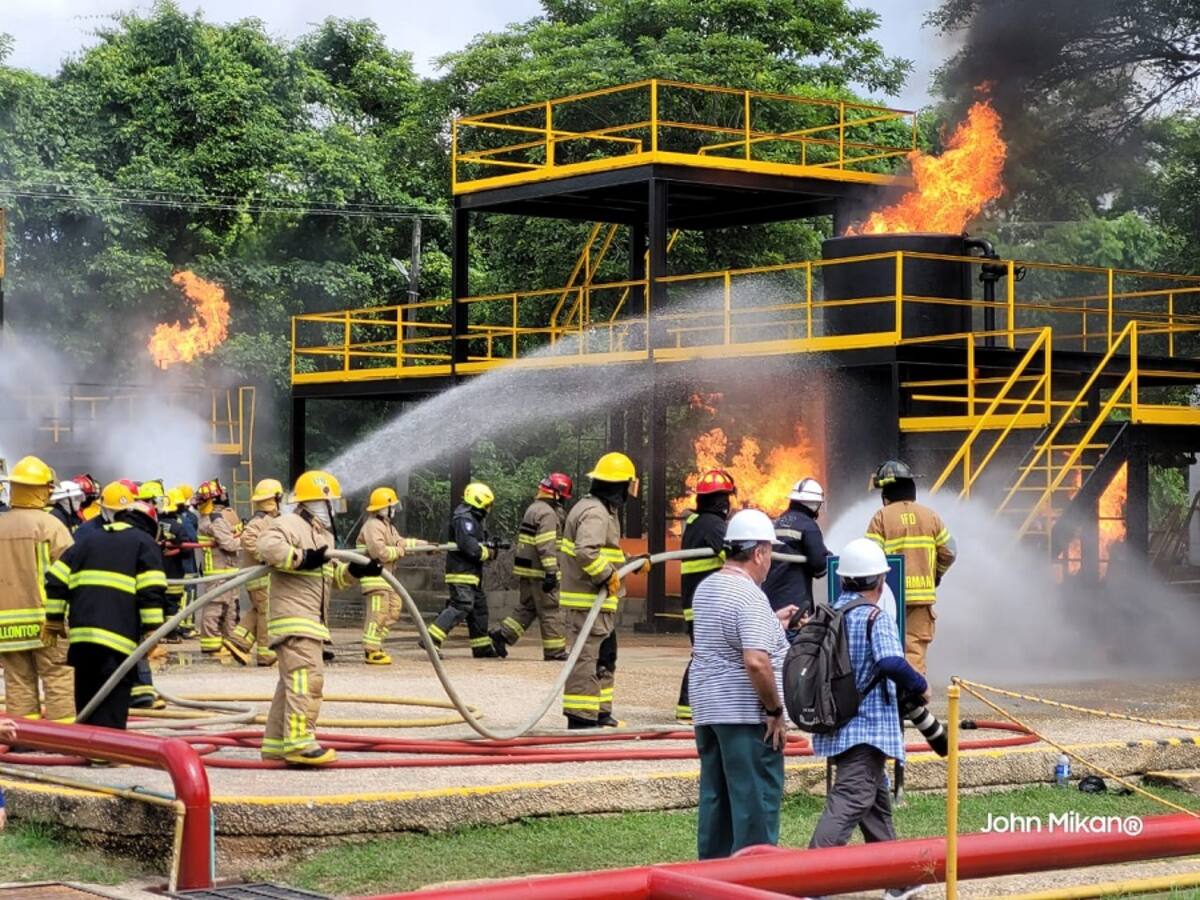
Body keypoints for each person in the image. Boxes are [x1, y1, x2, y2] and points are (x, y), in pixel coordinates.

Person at [808, 538, 929, 900]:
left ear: (844, 579)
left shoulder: (832, 613)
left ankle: (901, 880)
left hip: (839, 724)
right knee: (849, 801)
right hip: (869, 728)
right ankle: (807, 881)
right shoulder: (876, 616)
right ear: (880, 581)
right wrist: (921, 685)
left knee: (875, 807)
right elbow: (892, 662)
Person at [689, 508, 796, 860]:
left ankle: (714, 879)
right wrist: (775, 710)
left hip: (709, 713)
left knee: (717, 799)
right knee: (755, 801)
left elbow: (725, 639)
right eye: (769, 553)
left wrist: (771, 623)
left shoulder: (707, 588)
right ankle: (755, 880)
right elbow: (755, 661)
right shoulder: (749, 595)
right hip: (745, 717)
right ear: (759, 553)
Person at [256, 470, 378, 766]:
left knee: (290, 685)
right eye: (329, 503)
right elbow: (267, 546)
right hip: (293, 618)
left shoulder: (323, 534)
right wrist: (301, 558)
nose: (333, 509)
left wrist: (354, 571)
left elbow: (330, 576)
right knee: (306, 680)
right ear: (315, 502)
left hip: (310, 619)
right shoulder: (288, 524)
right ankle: (300, 744)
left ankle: (275, 745)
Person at [44, 487, 166, 730]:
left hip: (81, 638)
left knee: (87, 693)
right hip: (118, 640)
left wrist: (54, 619)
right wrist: (154, 631)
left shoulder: (85, 540)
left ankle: (88, 749)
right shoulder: (144, 543)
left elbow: (55, 580)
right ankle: (107, 753)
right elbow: (151, 591)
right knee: (113, 696)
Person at [560, 452, 646, 729]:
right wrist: (609, 574)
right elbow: (586, 551)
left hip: (599, 605)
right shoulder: (596, 513)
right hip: (588, 603)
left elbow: (604, 553)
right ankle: (581, 717)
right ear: (619, 485)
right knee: (588, 658)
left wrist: (631, 564)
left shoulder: (602, 510)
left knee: (605, 656)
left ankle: (599, 712)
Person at [0, 456, 75, 722]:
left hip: (7, 623)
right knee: (57, 674)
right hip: (47, 619)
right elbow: (71, 572)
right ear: (41, 489)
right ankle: (61, 735)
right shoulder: (52, 525)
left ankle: (23, 735)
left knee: (18, 679)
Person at [865, 460, 957, 675]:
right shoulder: (931, 516)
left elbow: (869, 556)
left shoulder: (881, 517)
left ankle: (890, 704)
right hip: (921, 599)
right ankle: (913, 704)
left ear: (886, 493)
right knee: (913, 655)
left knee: (884, 651)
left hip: (888, 598)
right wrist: (936, 575)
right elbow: (950, 552)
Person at [675, 468, 737, 723]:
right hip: (707, 603)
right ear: (723, 500)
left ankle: (697, 707)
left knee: (707, 653)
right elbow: (732, 555)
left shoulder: (694, 522)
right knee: (704, 655)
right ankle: (687, 707)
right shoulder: (713, 525)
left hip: (697, 601)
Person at [491, 473, 573, 661]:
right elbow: (546, 544)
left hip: (527, 571)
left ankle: (503, 635)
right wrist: (551, 572)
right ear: (557, 494)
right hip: (541, 572)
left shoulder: (534, 508)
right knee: (551, 609)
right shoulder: (548, 514)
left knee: (528, 607)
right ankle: (555, 651)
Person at [426, 483, 500, 658]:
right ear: (478, 502)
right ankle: (431, 640)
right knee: (462, 606)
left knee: (479, 608)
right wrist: (488, 553)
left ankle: (481, 646)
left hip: (471, 574)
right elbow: (470, 547)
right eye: (487, 505)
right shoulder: (464, 518)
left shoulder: (472, 518)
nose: (488, 509)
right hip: (461, 572)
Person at [358, 486, 420, 665]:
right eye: (392, 506)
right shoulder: (372, 526)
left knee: (393, 609)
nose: (395, 510)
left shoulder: (388, 526)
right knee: (377, 613)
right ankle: (371, 650)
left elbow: (401, 542)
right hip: (374, 578)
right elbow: (380, 552)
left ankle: (377, 643)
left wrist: (427, 546)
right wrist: (400, 551)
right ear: (384, 507)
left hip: (387, 578)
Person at [226, 478, 284, 667]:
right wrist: (265, 556)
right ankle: (266, 654)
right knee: (266, 614)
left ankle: (239, 641)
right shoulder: (259, 522)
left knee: (259, 610)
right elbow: (248, 540)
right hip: (261, 578)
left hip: (263, 578)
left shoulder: (268, 520)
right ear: (275, 498)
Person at [763, 477, 830, 615]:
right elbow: (820, 566)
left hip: (769, 603)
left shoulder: (777, 522)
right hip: (795, 608)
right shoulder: (808, 526)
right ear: (813, 504)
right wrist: (828, 556)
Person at [195, 479, 242, 656]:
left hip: (225, 570)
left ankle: (229, 642)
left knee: (230, 607)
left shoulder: (212, 518)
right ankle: (212, 645)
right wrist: (245, 538)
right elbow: (229, 544)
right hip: (219, 570)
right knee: (216, 607)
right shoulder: (215, 519)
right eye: (221, 494)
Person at [158, 489, 198, 644]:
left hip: (159, 570)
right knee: (173, 603)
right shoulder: (178, 525)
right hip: (175, 570)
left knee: (160, 601)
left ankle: (159, 633)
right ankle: (171, 633)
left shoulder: (155, 524)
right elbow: (188, 547)